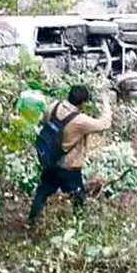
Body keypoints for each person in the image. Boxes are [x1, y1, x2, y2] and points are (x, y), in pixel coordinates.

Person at [28, 85, 112, 226]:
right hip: (69, 167)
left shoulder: (53, 107)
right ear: (82, 103)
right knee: (78, 198)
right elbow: (105, 124)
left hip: (50, 161)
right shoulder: (80, 121)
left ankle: (31, 221)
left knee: (42, 193)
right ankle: (77, 227)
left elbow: (44, 121)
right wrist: (106, 103)